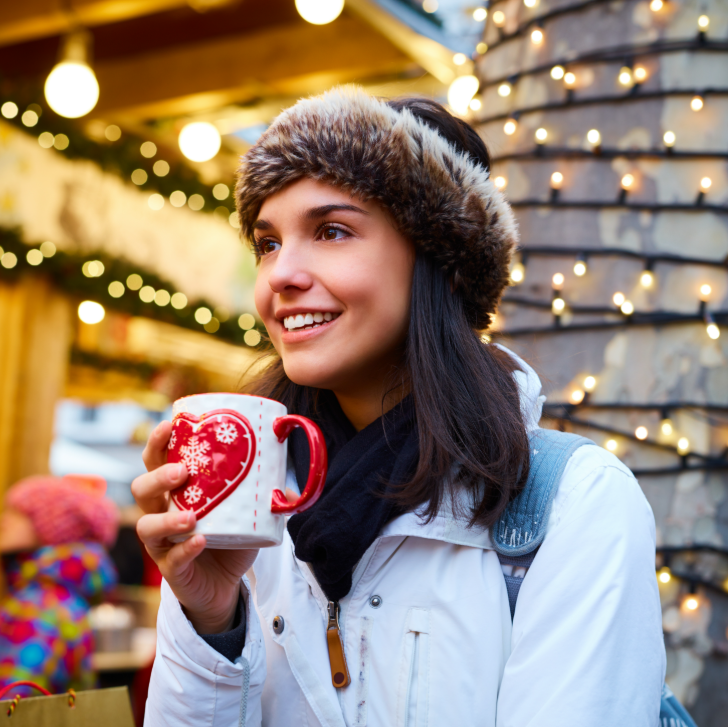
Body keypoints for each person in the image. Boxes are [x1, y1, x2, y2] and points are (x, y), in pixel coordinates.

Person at [134, 86, 666, 726]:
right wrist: (210, 619)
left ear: (438, 262)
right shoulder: (249, 510)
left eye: (331, 231)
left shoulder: (574, 504)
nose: (279, 275)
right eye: (268, 242)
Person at [0, 475, 119, 703]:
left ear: (53, 528)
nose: (2, 521)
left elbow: (7, 711)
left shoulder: (41, 607)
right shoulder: (59, 597)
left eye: (16, 513)